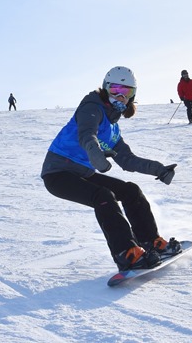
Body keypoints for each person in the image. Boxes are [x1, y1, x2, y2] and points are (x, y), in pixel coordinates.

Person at [41, 66, 181, 272]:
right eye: (115, 89)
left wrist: (159, 169)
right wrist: (96, 155)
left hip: (83, 173)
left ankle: (149, 242)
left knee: (131, 191)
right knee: (103, 196)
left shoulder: (113, 128)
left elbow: (127, 160)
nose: (120, 96)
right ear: (106, 88)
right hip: (57, 173)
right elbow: (87, 135)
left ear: (132, 96)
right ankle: (127, 254)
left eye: (126, 92)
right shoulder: (91, 107)